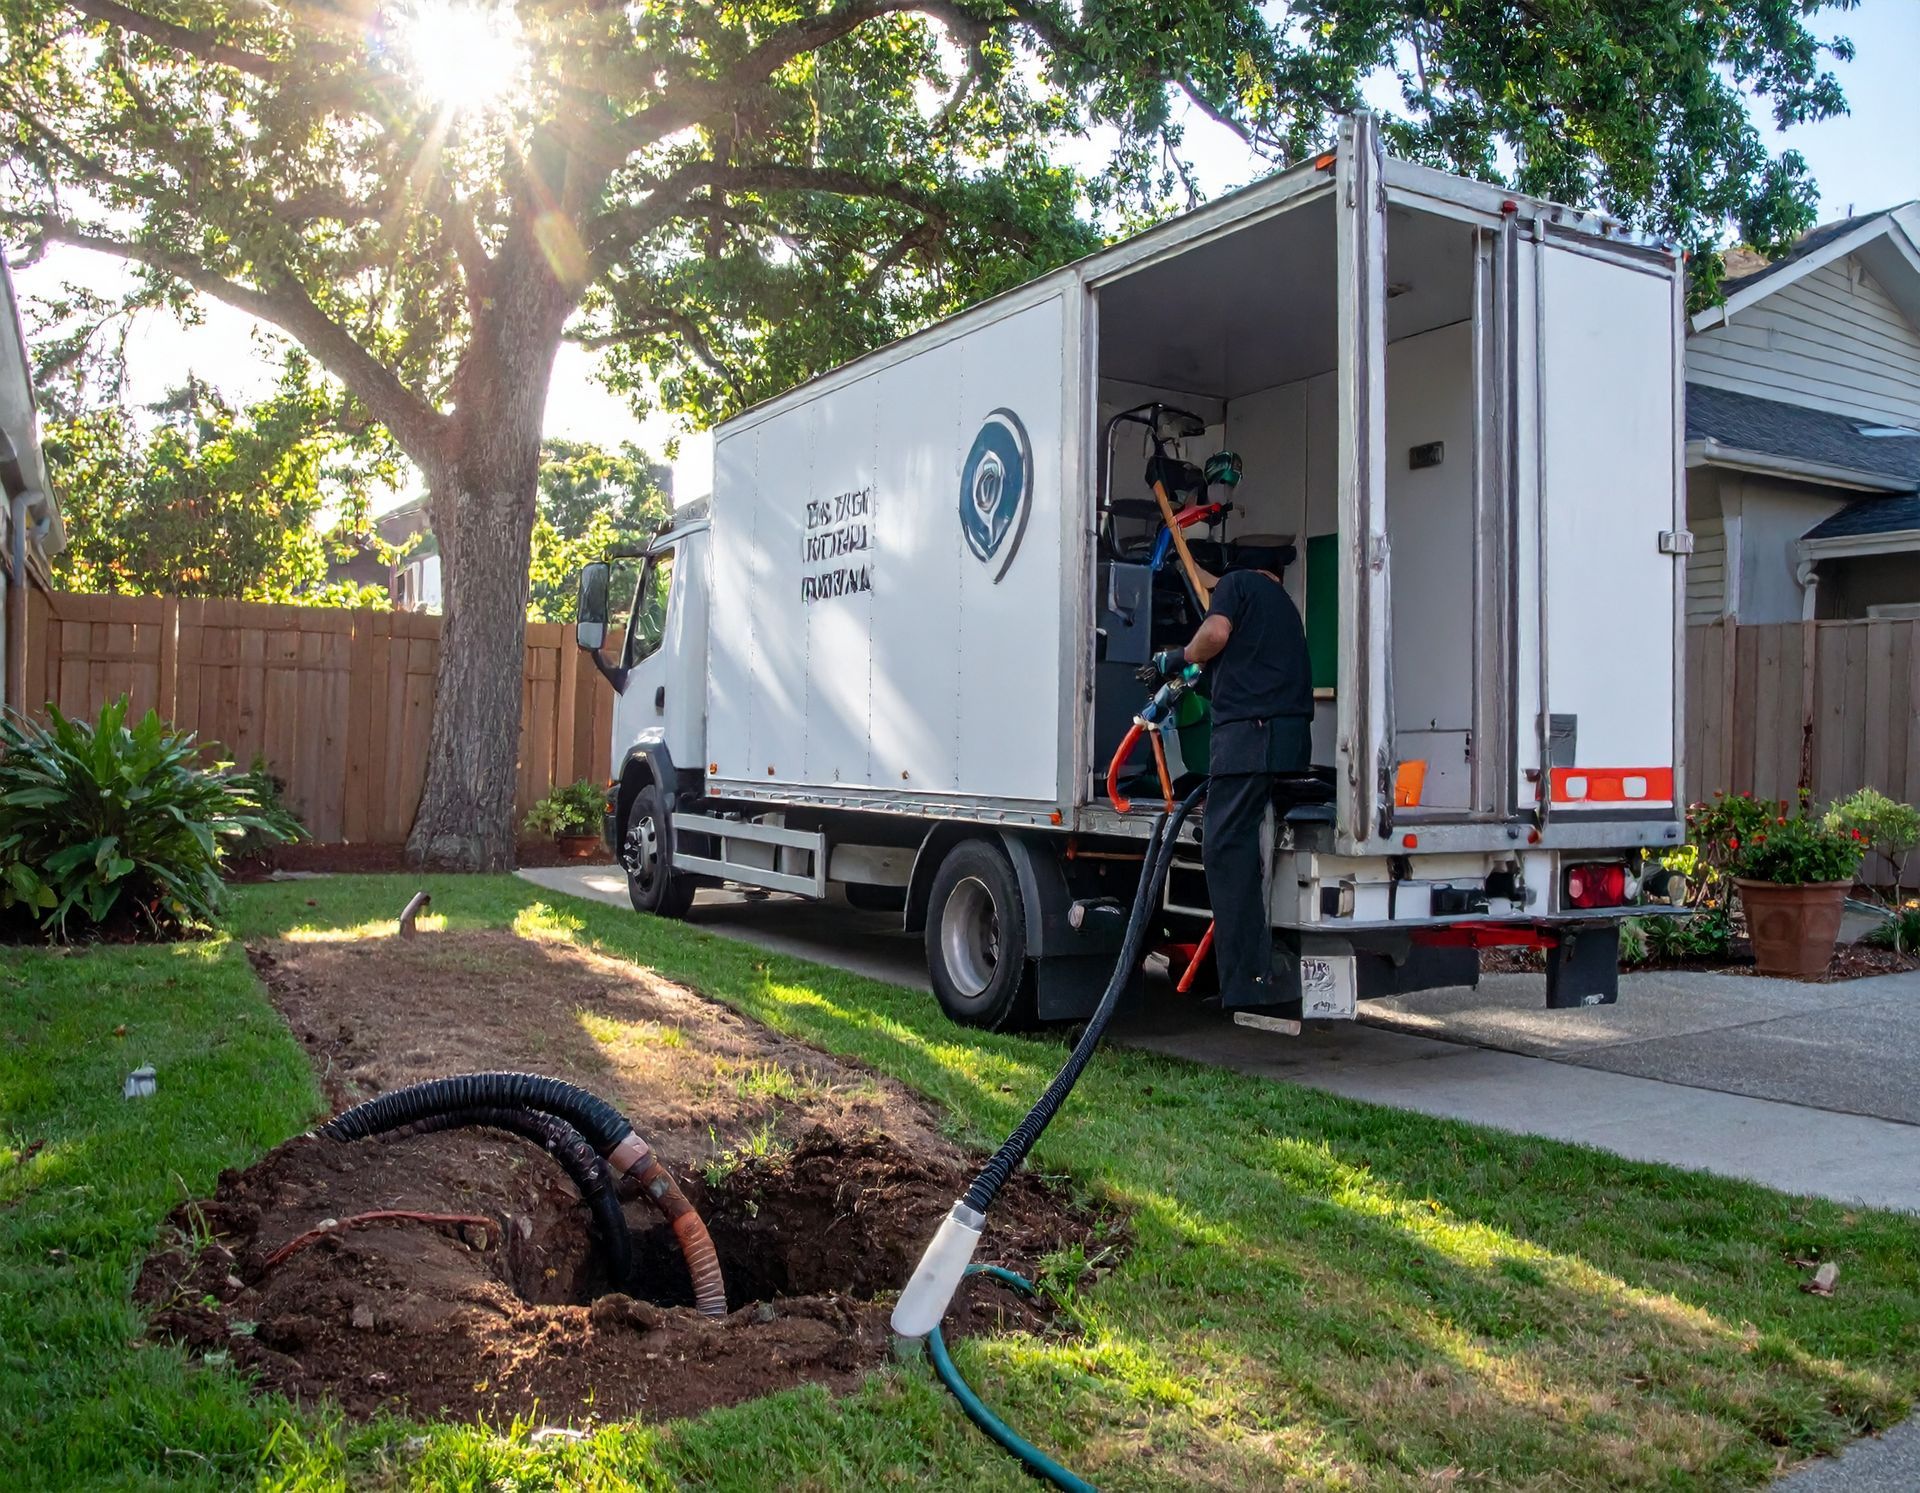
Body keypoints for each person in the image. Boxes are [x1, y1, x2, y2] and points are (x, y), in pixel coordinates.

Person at [1139, 560, 1312, 1007]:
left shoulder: (1238, 583)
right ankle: (1255, 971)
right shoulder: (1282, 607)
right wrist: (1192, 675)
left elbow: (1214, 636)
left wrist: (1177, 656)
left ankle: (1250, 983)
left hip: (1249, 740)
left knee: (1224, 849)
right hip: (1286, 741)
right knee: (1248, 843)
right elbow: (1237, 666)